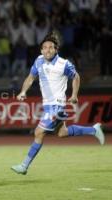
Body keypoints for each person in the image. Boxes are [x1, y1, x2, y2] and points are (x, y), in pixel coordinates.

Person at [11, 31, 105, 175]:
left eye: (50, 47)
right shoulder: (38, 61)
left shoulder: (64, 64)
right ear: (41, 50)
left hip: (57, 106)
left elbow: (76, 77)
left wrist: (74, 95)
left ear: (56, 50)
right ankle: (94, 130)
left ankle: (24, 166)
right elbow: (30, 78)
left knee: (38, 132)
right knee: (62, 133)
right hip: (48, 105)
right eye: (45, 47)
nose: (47, 50)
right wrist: (23, 91)